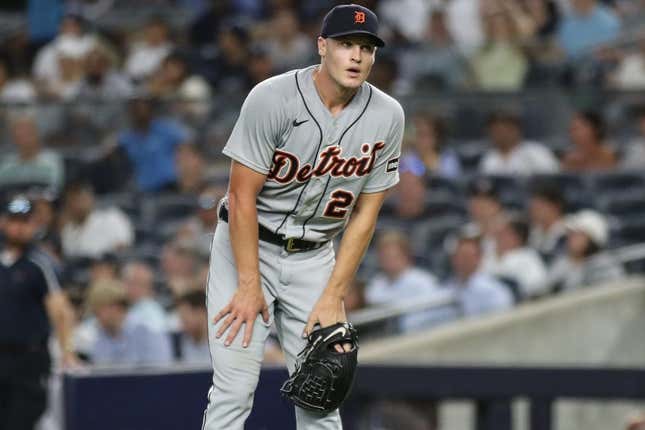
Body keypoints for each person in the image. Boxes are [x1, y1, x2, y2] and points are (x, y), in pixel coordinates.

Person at [202, 4, 403, 429]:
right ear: (321, 46)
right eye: (346, 44)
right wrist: (249, 284)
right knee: (235, 388)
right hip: (247, 245)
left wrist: (333, 294)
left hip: (315, 257)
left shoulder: (388, 116)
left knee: (322, 391)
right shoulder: (272, 98)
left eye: (366, 48)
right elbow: (240, 198)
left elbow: (366, 216)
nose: (356, 56)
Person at [0, 196, 78, 430]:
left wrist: (67, 351)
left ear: (34, 225)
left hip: (29, 360)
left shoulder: (40, 264)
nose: (18, 228)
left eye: (24, 222)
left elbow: (61, 311)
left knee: (20, 420)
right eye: (14, 221)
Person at [86, 279, 173, 367]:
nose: (96, 317)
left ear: (116, 307)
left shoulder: (148, 332)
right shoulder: (100, 338)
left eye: (99, 310)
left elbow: (161, 373)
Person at [365, 231, 439, 333]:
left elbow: (433, 316)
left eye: (393, 256)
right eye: (385, 256)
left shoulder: (423, 281)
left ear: (406, 255)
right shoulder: (376, 285)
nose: (389, 261)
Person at [547, 209, 625, 292]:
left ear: (592, 239)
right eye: (571, 234)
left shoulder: (606, 264)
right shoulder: (562, 263)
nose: (571, 238)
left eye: (578, 234)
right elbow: (546, 289)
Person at [59, 180, 134, 258]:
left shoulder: (111, 218)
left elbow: (124, 251)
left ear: (91, 198)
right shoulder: (67, 231)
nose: (77, 204)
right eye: (72, 200)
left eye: (81, 198)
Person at [483, 215, 549, 300]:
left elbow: (538, 286)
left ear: (518, 237)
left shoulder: (528, 256)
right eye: (499, 233)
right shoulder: (487, 258)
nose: (499, 237)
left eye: (505, 233)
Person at [0, 111, 65, 192]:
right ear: (13, 138)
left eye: (27, 132)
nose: (23, 137)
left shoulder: (51, 162)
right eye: (19, 133)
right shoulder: (7, 166)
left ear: (36, 133)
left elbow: (55, 189)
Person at [479, 111, 559, 176]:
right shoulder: (488, 158)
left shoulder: (537, 152)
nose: (500, 135)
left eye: (504, 130)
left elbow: (551, 180)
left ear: (517, 130)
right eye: (495, 131)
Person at [121, 261, 168, 333]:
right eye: (132, 283)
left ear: (149, 289)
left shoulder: (152, 311)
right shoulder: (116, 305)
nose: (135, 288)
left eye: (141, 285)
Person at [528, 181, 568, 263]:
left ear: (555, 207)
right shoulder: (533, 231)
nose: (534, 212)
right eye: (533, 208)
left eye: (539, 207)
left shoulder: (568, 231)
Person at [172, 290, 210, 365]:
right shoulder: (178, 345)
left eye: (185, 319)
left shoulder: (224, 345)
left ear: (200, 313)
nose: (182, 325)